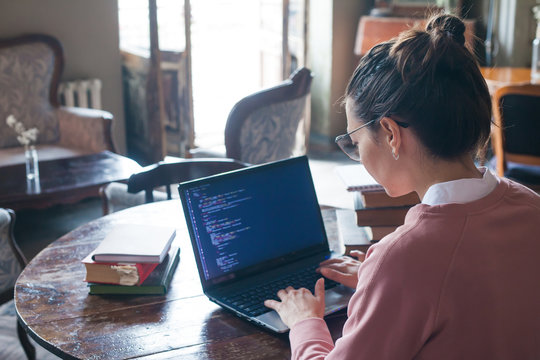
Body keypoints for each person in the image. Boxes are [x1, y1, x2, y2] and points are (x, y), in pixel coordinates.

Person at [264, 13, 540, 359]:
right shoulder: (531, 207)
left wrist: (304, 321)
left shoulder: (403, 259)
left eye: (354, 141)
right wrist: (378, 280)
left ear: (392, 135)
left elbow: (430, 271)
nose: (357, 155)